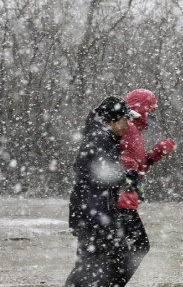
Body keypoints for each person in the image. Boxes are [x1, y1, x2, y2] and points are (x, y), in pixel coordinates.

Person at [66, 96, 139, 287]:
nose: (127, 124)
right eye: (125, 119)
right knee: (95, 264)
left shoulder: (103, 136)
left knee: (95, 263)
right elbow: (98, 174)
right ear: (113, 119)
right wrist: (125, 178)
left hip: (94, 212)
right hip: (94, 213)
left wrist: (124, 176)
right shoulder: (100, 138)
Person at [115, 89, 176, 286]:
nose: (153, 115)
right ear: (142, 109)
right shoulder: (127, 129)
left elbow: (136, 168)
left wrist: (153, 156)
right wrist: (129, 167)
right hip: (120, 202)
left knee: (125, 248)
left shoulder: (134, 131)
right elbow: (117, 159)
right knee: (139, 246)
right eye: (152, 110)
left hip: (126, 202)